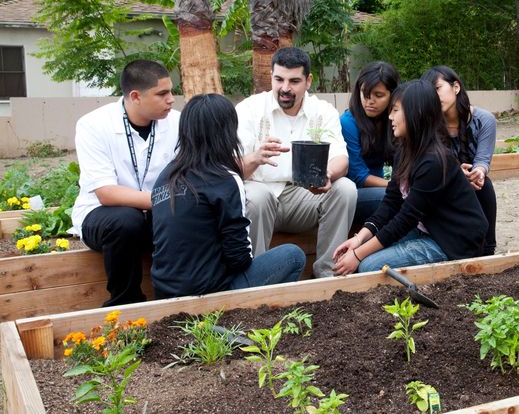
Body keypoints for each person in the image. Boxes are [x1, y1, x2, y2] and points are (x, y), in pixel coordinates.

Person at [151, 94, 305, 298]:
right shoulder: (224, 178)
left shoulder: (165, 177)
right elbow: (239, 257)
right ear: (227, 132)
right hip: (211, 295)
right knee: (293, 256)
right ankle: (257, 319)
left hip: (164, 294)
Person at [332, 80, 487, 275]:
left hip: (452, 241)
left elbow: (406, 218)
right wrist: (359, 239)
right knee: (364, 259)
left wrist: (357, 255)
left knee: (368, 266)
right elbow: (391, 203)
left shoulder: (434, 161)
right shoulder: (404, 150)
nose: (390, 117)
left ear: (416, 114)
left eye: (396, 110)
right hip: (427, 230)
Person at [236, 46, 357, 278]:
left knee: (346, 188)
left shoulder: (322, 111)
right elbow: (231, 167)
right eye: (279, 79)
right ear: (271, 76)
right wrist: (255, 158)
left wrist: (327, 175)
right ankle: (256, 279)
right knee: (257, 196)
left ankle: (328, 274)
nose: (285, 88)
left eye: (294, 81)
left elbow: (341, 159)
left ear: (308, 81)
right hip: (261, 195)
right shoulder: (249, 109)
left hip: (304, 195)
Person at [71, 59, 180, 306]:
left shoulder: (178, 122)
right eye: (162, 93)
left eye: (171, 91)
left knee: (179, 215)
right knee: (125, 220)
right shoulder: (94, 125)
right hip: (103, 216)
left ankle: (177, 298)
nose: (171, 99)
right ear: (135, 96)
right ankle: (125, 303)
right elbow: (106, 193)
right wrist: (166, 200)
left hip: (156, 215)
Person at [421, 65, 497, 255]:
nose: (434, 95)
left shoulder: (484, 120)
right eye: (430, 91)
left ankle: (488, 248)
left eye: (437, 88)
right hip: (441, 184)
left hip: (473, 182)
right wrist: (454, 173)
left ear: (456, 87)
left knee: (483, 184)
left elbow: (482, 159)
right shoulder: (428, 124)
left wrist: (478, 172)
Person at [340, 61, 400, 226]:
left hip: (383, 189)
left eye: (378, 95)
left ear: (393, 95)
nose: (369, 101)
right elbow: (358, 176)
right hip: (353, 195)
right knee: (394, 199)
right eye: (364, 93)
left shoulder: (394, 120)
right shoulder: (348, 122)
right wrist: (397, 188)